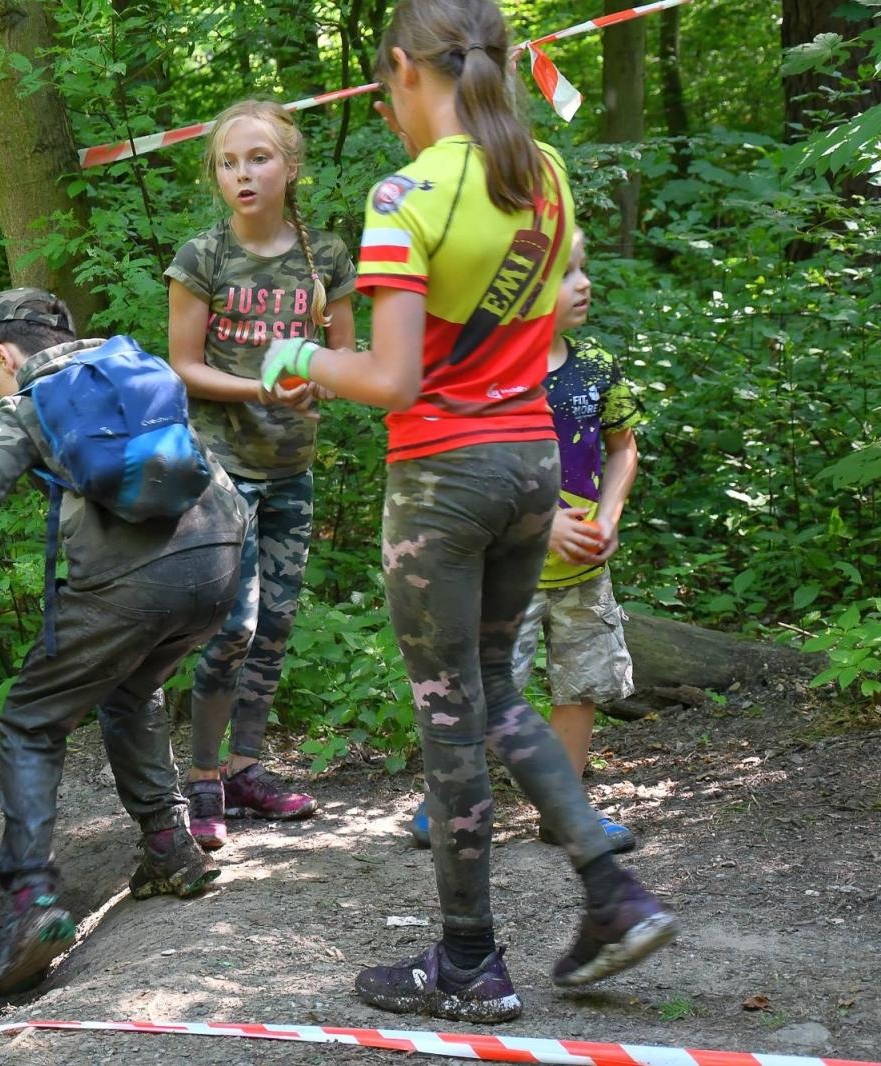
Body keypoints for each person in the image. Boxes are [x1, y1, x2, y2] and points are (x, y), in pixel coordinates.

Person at [259, 0, 675, 1022]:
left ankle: (466, 961)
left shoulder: (405, 193)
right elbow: (535, 335)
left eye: (383, 87)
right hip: (534, 463)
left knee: (450, 715)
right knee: (493, 687)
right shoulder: (546, 176)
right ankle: (610, 888)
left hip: (444, 479)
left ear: (403, 68)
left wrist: (296, 357)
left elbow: (394, 378)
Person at [0, 288, 247, 999]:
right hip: (220, 553)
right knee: (130, 692)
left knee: (32, 721)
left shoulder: (33, 399)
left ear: (3, 354)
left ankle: (34, 903)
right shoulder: (133, 365)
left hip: (138, 579)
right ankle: (170, 849)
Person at [409, 228, 642, 853]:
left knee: (582, 685)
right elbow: (470, 466)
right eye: (565, 274)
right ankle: (451, 802)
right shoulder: (486, 374)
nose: (583, 284)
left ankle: (564, 809)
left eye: (583, 270)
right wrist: (540, 522)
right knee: (482, 687)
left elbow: (623, 448)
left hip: (584, 573)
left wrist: (608, 518)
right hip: (502, 573)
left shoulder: (596, 367)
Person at [164, 99, 357, 850]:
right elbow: (182, 365)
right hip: (220, 471)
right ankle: (203, 777)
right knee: (232, 628)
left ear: (290, 166)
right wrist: (259, 389)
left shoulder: (326, 257)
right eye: (228, 162)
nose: (243, 174)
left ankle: (247, 770)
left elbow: (343, 357)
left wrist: (322, 381)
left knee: (274, 626)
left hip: (292, 470)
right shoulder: (202, 256)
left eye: (259, 158)